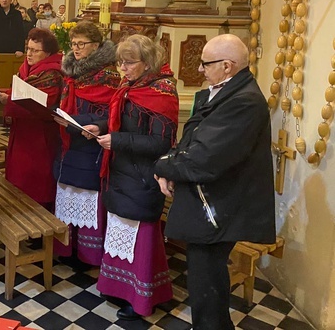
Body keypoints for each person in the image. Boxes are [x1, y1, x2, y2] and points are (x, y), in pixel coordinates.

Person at [154, 34, 276, 329]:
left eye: (206, 63)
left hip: (221, 206)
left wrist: (163, 166)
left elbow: (205, 158)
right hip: (213, 202)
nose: (200, 69)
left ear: (227, 65)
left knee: (207, 287)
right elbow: (192, 139)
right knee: (205, 283)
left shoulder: (243, 102)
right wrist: (169, 165)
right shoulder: (226, 91)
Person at [86, 35, 178, 320]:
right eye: (120, 62)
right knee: (119, 232)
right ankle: (117, 287)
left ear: (148, 63)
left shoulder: (161, 93)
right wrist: (98, 125)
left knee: (140, 240)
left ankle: (143, 299)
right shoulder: (131, 86)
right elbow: (120, 120)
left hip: (143, 177)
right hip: (122, 172)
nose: (122, 69)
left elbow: (161, 143)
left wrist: (118, 141)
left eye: (129, 63)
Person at [53, 20, 120, 266]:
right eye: (73, 43)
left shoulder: (109, 75)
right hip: (69, 142)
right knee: (67, 195)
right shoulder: (71, 71)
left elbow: (111, 114)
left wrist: (79, 121)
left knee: (87, 200)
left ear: (96, 45)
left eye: (82, 44)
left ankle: (87, 256)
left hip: (89, 143)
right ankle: (66, 249)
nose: (76, 48)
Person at [0, 28, 63, 210]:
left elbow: (46, 101)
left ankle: (38, 229)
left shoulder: (52, 73)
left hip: (40, 137)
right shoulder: (26, 69)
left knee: (37, 184)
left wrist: (9, 99)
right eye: (28, 48)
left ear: (48, 53)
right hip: (22, 133)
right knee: (19, 180)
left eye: (35, 50)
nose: (29, 53)